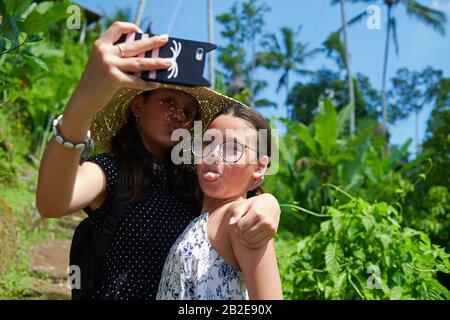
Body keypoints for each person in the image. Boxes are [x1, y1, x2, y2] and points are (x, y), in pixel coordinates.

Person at [36, 22, 281, 299]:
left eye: (189, 111)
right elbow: (52, 202)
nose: (179, 114)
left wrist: (266, 202)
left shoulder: (193, 183)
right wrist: (81, 106)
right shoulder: (112, 171)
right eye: (168, 102)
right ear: (138, 106)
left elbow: (234, 196)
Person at [157, 102, 283, 300]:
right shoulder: (200, 217)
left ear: (259, 167)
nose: (213, 155)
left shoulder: (243, 219)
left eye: (233, 148)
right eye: (207, 143)